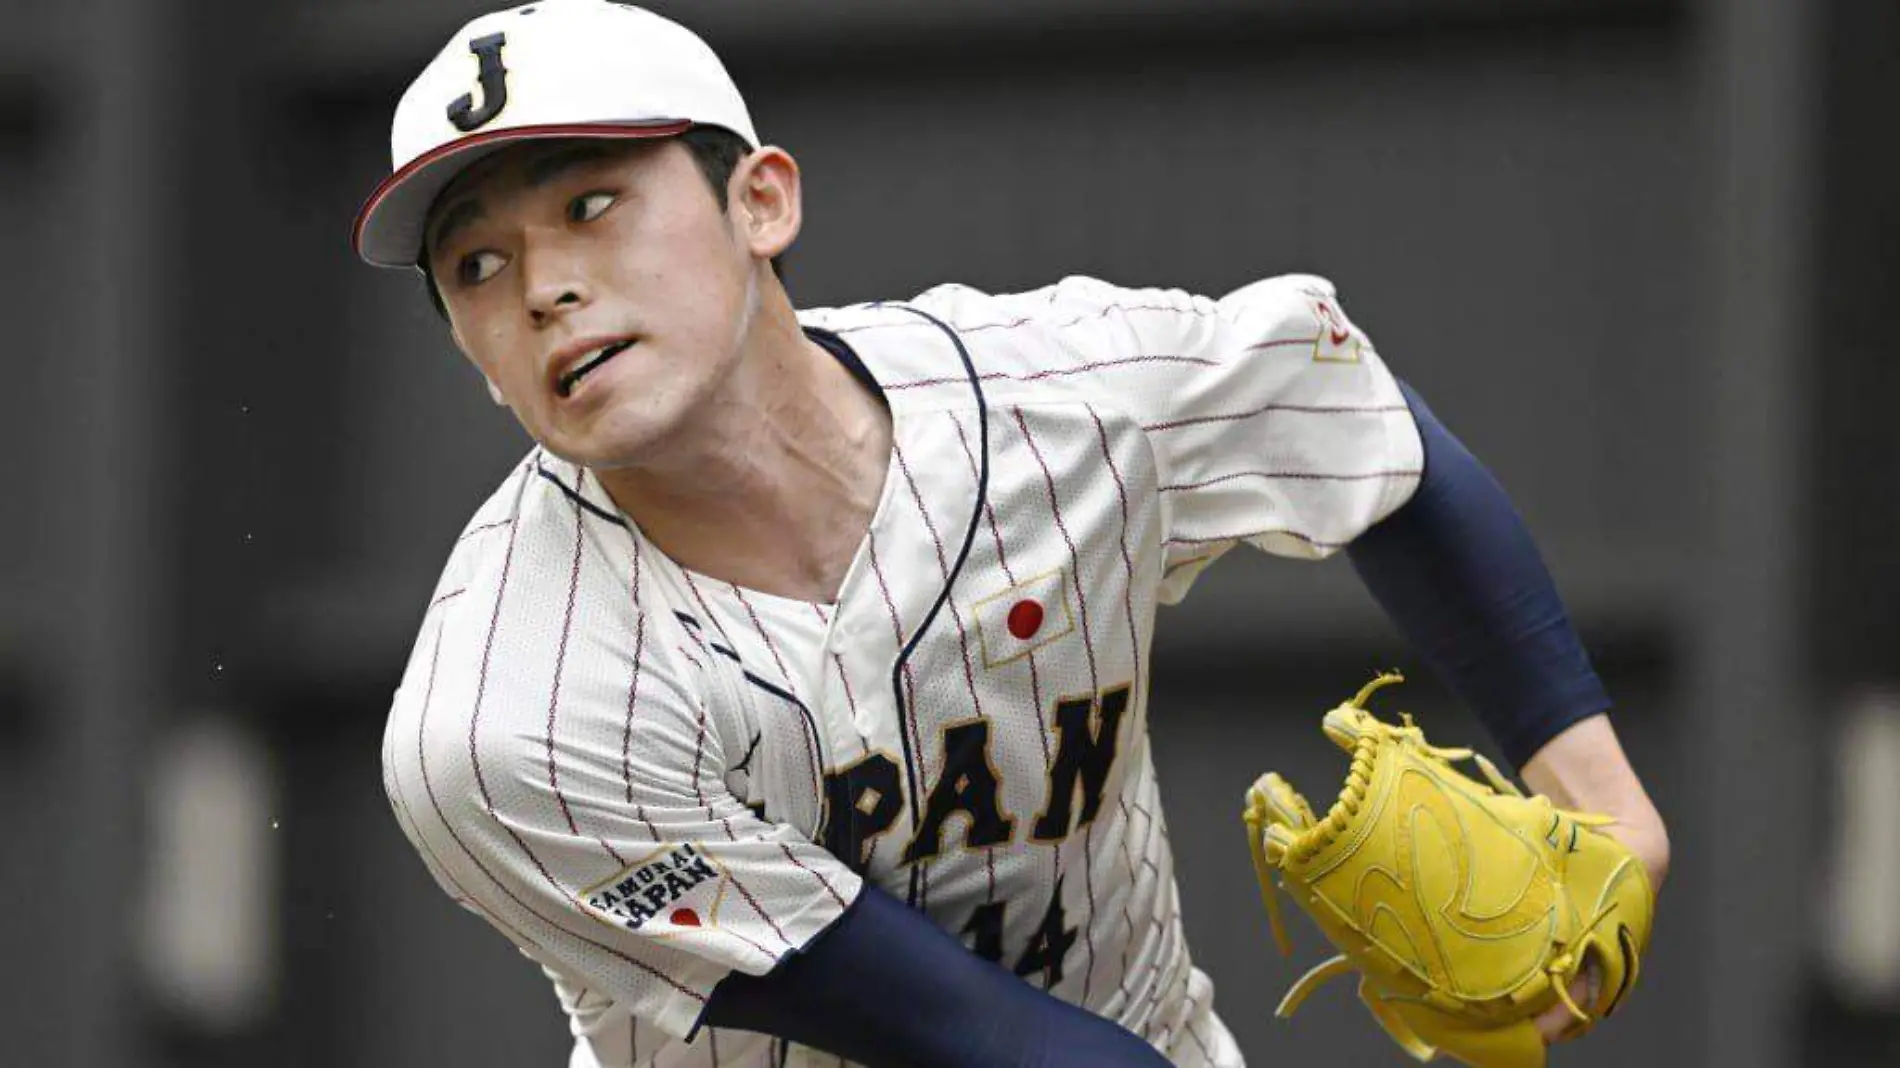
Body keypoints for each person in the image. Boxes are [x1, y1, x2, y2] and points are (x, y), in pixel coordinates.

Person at [356, 2, 1670, 1065]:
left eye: (593, 203)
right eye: (478, 266)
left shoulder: (1067, 394)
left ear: (760, 203)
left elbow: (1358, 423)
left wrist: (1609, 804)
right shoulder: (505, 716)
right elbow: (956, 1033)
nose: (545, 287)